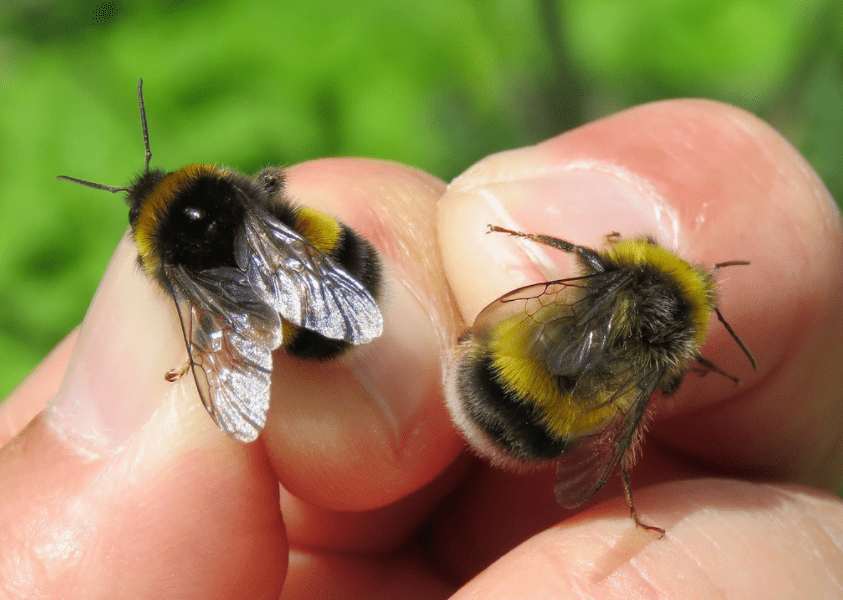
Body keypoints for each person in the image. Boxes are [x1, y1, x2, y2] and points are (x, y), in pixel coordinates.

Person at [1, 99, 841, 599]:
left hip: (397, 355)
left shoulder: (178, 275)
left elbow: (531, 294)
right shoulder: (652, 347)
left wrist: (513, 256)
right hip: (399, 319)